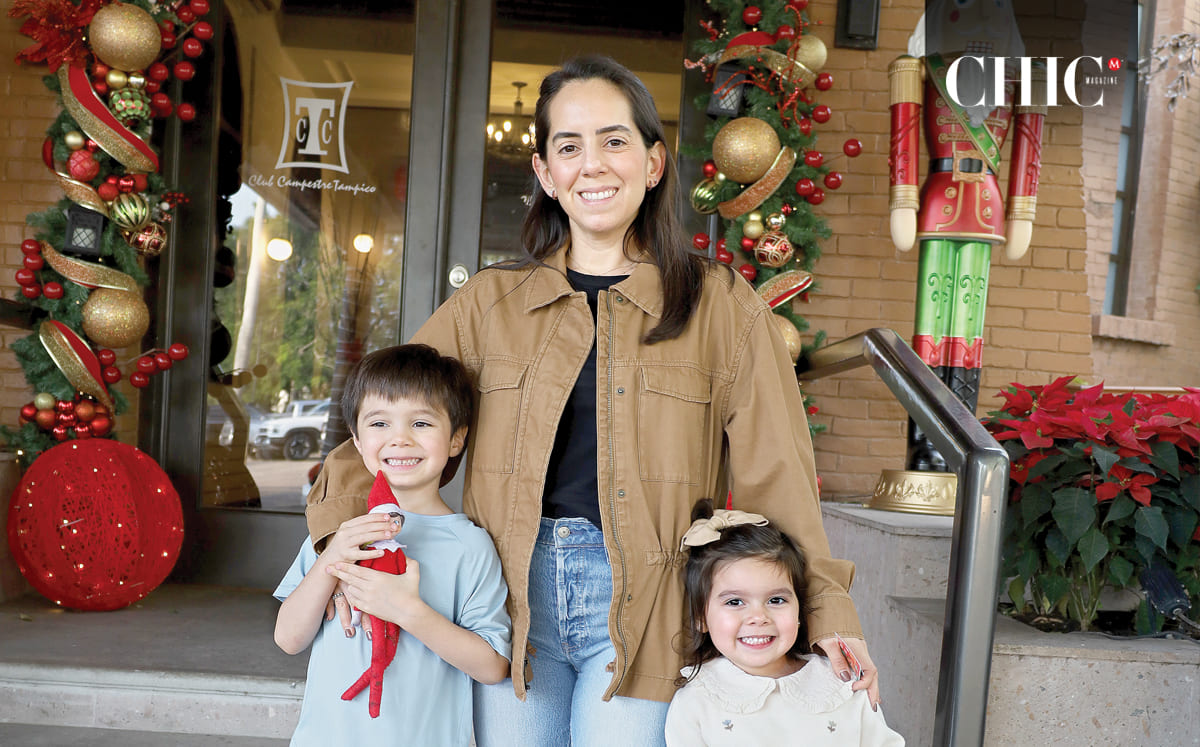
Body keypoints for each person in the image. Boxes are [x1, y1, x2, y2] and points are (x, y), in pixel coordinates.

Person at [306, 55, 878, 746]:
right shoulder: (490, 304)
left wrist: (828, 610)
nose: (593, 164)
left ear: (654, 162)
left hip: (651, 602)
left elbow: (777, 474)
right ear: (546, 174)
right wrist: (339, 541)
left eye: (614, 140)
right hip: (507, 601)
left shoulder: (722, 305)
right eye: (568, 146)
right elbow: (385, 426)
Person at [273, 344, 511, 745]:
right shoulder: (342, 535)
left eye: (421, 423)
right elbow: (289, 638)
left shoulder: (470, 545)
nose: (399, 440)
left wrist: (407, 611)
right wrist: (329, 561)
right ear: (357, 440)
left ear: (456, 439)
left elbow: (492, 667)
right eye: (380, 424)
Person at [665, 502, 903, 746]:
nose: (758, 616)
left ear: (799, 609)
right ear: (701, 617)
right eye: (735, 602)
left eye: (776, 600)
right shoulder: (697, 701)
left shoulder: (841, 685)